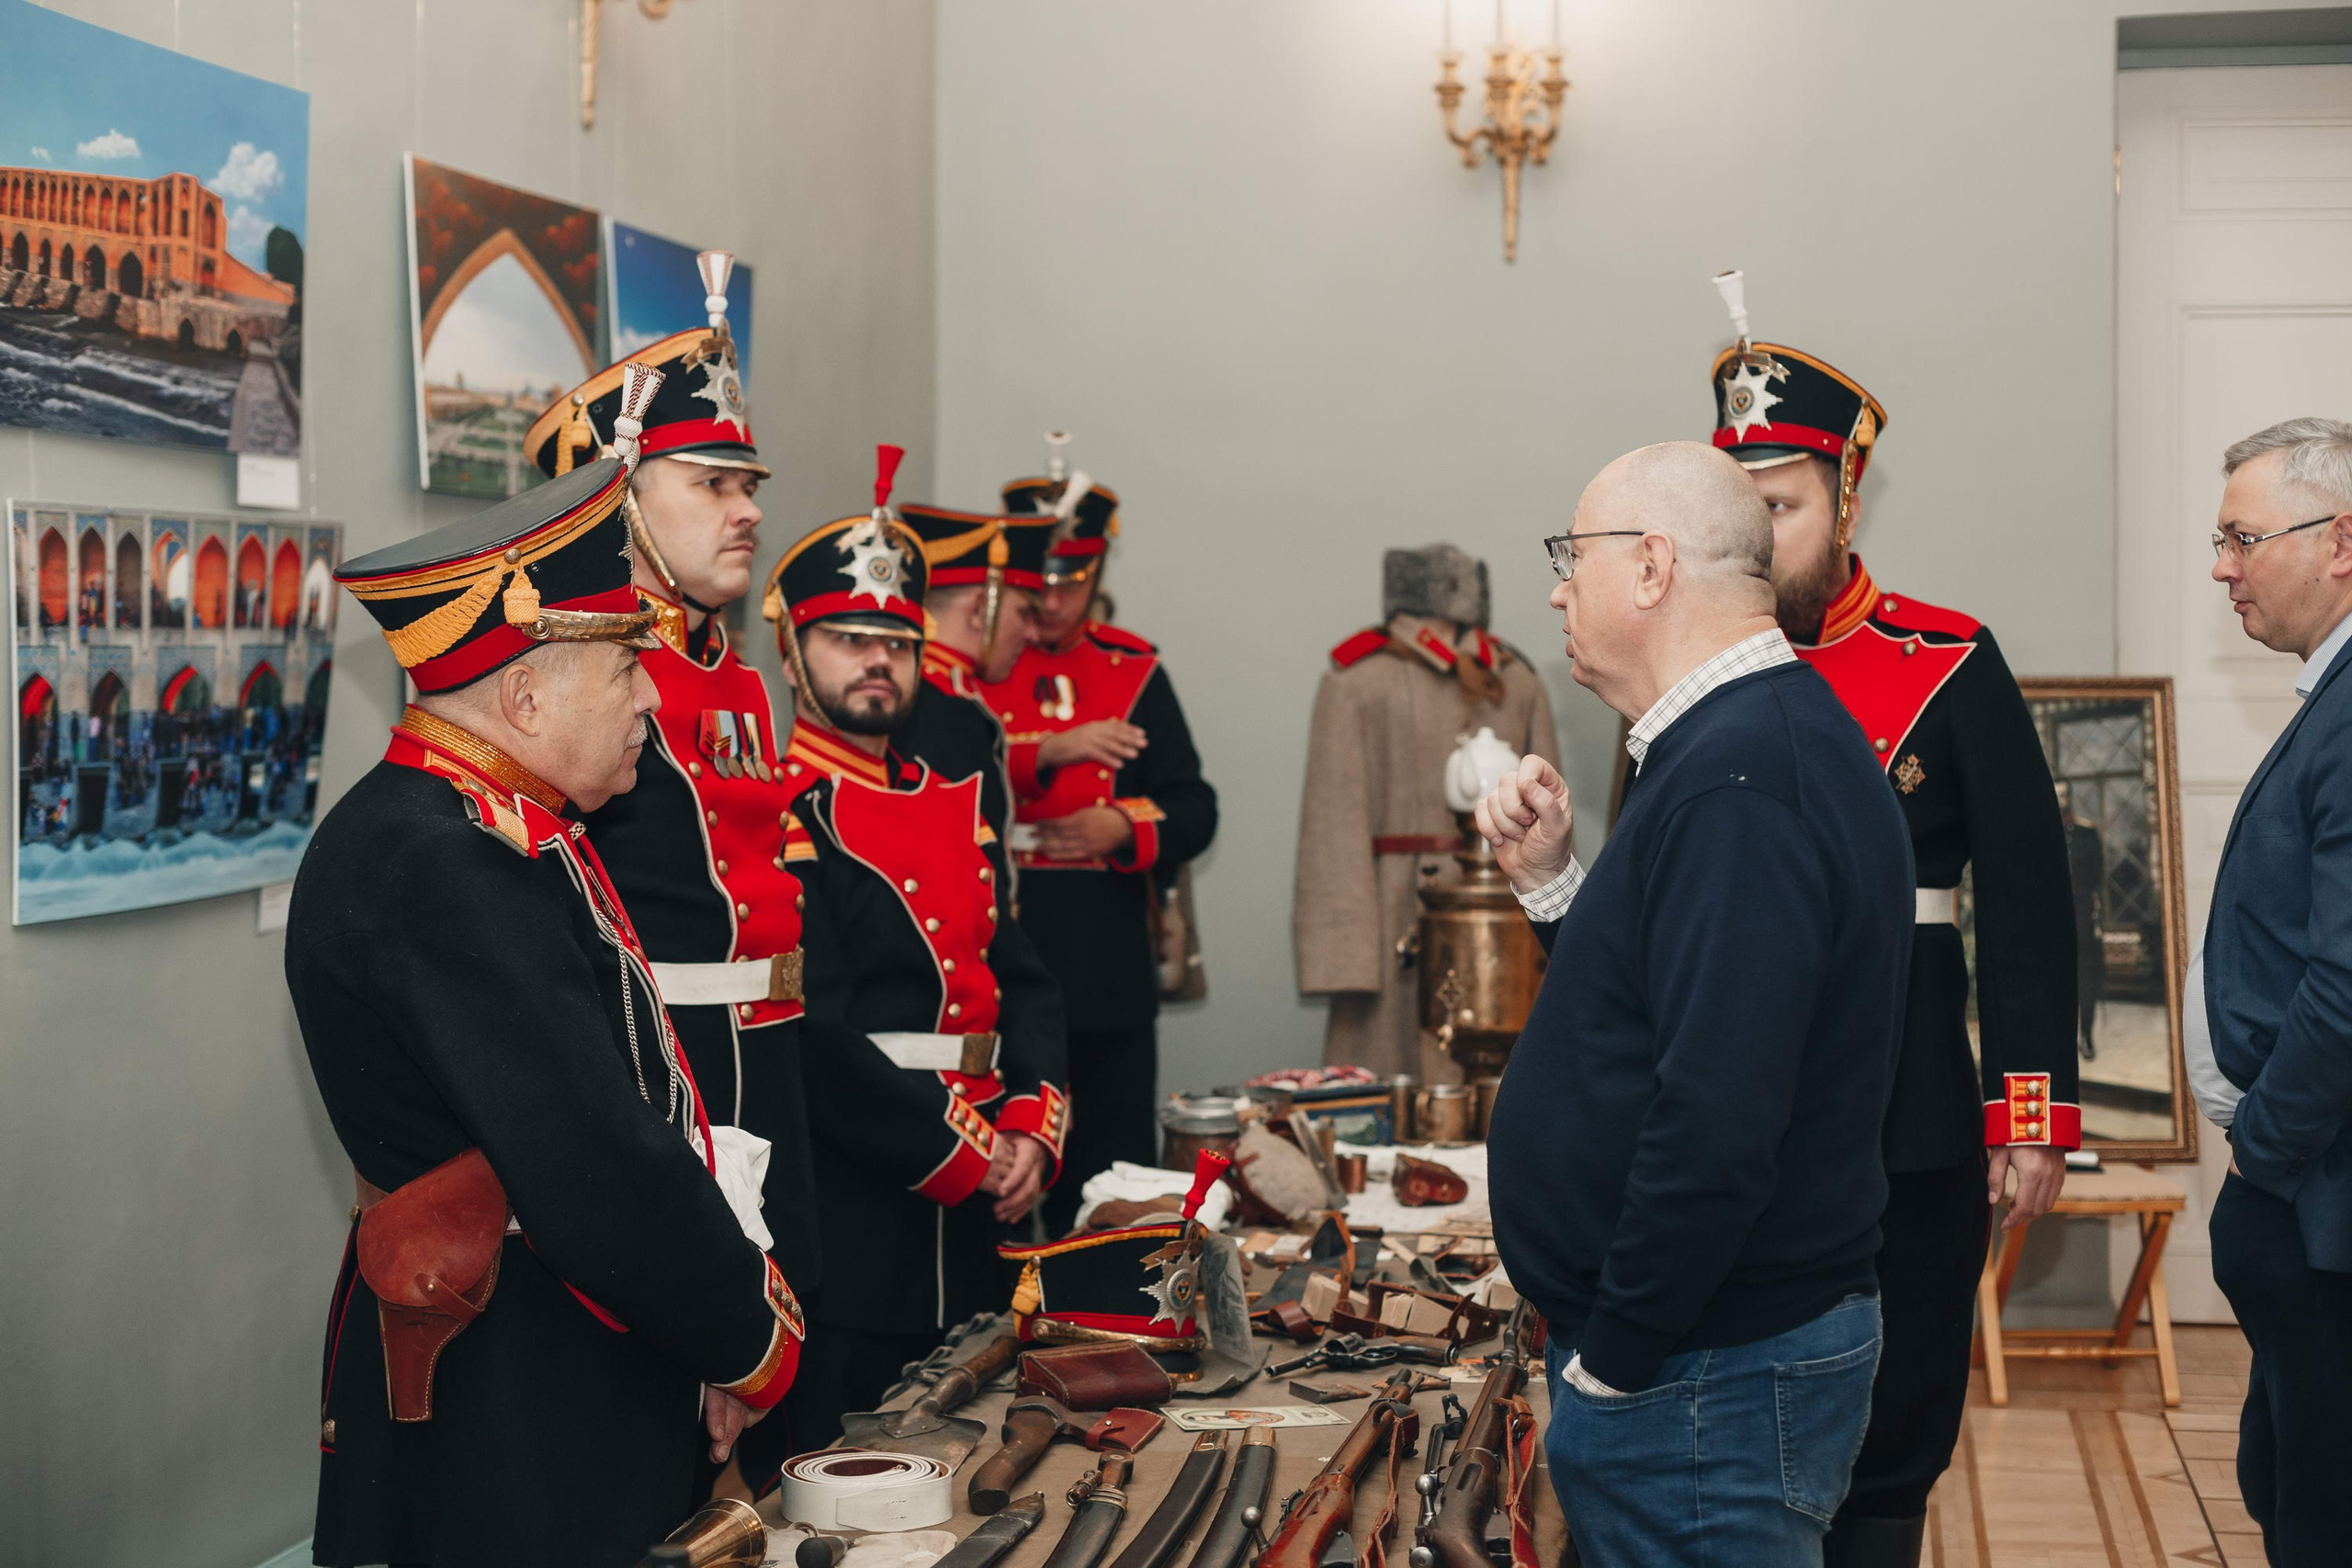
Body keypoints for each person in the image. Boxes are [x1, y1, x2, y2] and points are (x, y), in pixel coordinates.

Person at [291, 438, 802, 1568]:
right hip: (515, 1384)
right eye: (624, 670)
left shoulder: (499, 826)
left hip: (568, 1347)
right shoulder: (440, 862)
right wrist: (746, 1338)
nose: (647, 697)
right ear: (523, 695)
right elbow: (591, 1163)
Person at [1482, 442, 1910, 1568]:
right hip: (1704, 1357)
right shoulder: (1741, 747)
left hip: (1702, 1374)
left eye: (1574, 558)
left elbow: (1718, 1119)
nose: (1559, 588)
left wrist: (1616, 1356)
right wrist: (1554, 885)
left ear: (1652, 567)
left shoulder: (1741, 780)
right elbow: (1674, 1013)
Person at [1703, 277, 2077, 1567]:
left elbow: (2030, 901)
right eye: (1733, 511)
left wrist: (2028, 1111)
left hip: (1908, 1112)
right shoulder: (1690, 672)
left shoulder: (1946, 659)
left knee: (1890, 1440)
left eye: (1782, 507)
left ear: (1846, 499)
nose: (1757, 537)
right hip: (1730, 1113)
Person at [523, 262, 817, 1494]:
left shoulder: (738, 678)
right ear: (621, 502)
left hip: (774, 1069)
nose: (747, 509)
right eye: (712, 484)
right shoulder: (574, 698)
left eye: (749, 484)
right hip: (670, 1087)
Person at [762, 450, 1069, 1448]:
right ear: (792, 651)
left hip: (981, 1209)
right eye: (847, 639)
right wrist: (962, 1154)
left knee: (975, 1474)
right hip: (862, 1215)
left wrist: (1029, 1125)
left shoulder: (956, 803)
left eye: (893, 639)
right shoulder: (775, 814)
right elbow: (817, 1031)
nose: (876, 660)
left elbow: (1022, 983)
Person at [979, 438, 1218, 1231]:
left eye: (1070, 584)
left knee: (1110, 1182)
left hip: (1105, 969)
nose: (1051, 605)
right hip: (997, 962)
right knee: (1003, 1194)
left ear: (1097, 574)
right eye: (1035, 587)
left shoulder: (1135, 668)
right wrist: (1047, 756)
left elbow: (1193, 807)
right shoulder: (970, 667)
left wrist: (1121, 824)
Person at [2200, 417, 2352, 1565]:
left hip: (2322, 1202)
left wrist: (2264, 1150)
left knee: (2316, 1512)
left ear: (2337, 540)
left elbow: (2347, 981)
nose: (2222, 567)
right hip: (2308, 1197)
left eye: (2241, 538)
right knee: (2281, 1476)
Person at [1294, 543, 1558, 1081]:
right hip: (1394, 914)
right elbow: (1332, 827)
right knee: (1387, 1082)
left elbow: (1551, 816)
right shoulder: (1355, 683)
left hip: (1500, 912)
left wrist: (1550, 931)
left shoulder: (1516, 681)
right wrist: (1344, 954)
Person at [894, 502, 1055, 844]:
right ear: (980, 609)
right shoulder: (940, 709)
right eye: (1024, 613)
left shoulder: (918, 692)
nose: (1032, 634)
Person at [2058, 783, 2105, 1061]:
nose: (2062, 801)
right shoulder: (2043, 833)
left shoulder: (2087, 833)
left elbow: (2097, 877)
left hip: (2084, 918)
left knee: (2087, 982)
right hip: (2054, 921)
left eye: (2064, 795)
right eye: (2056, 795)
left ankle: (2086, 1036)